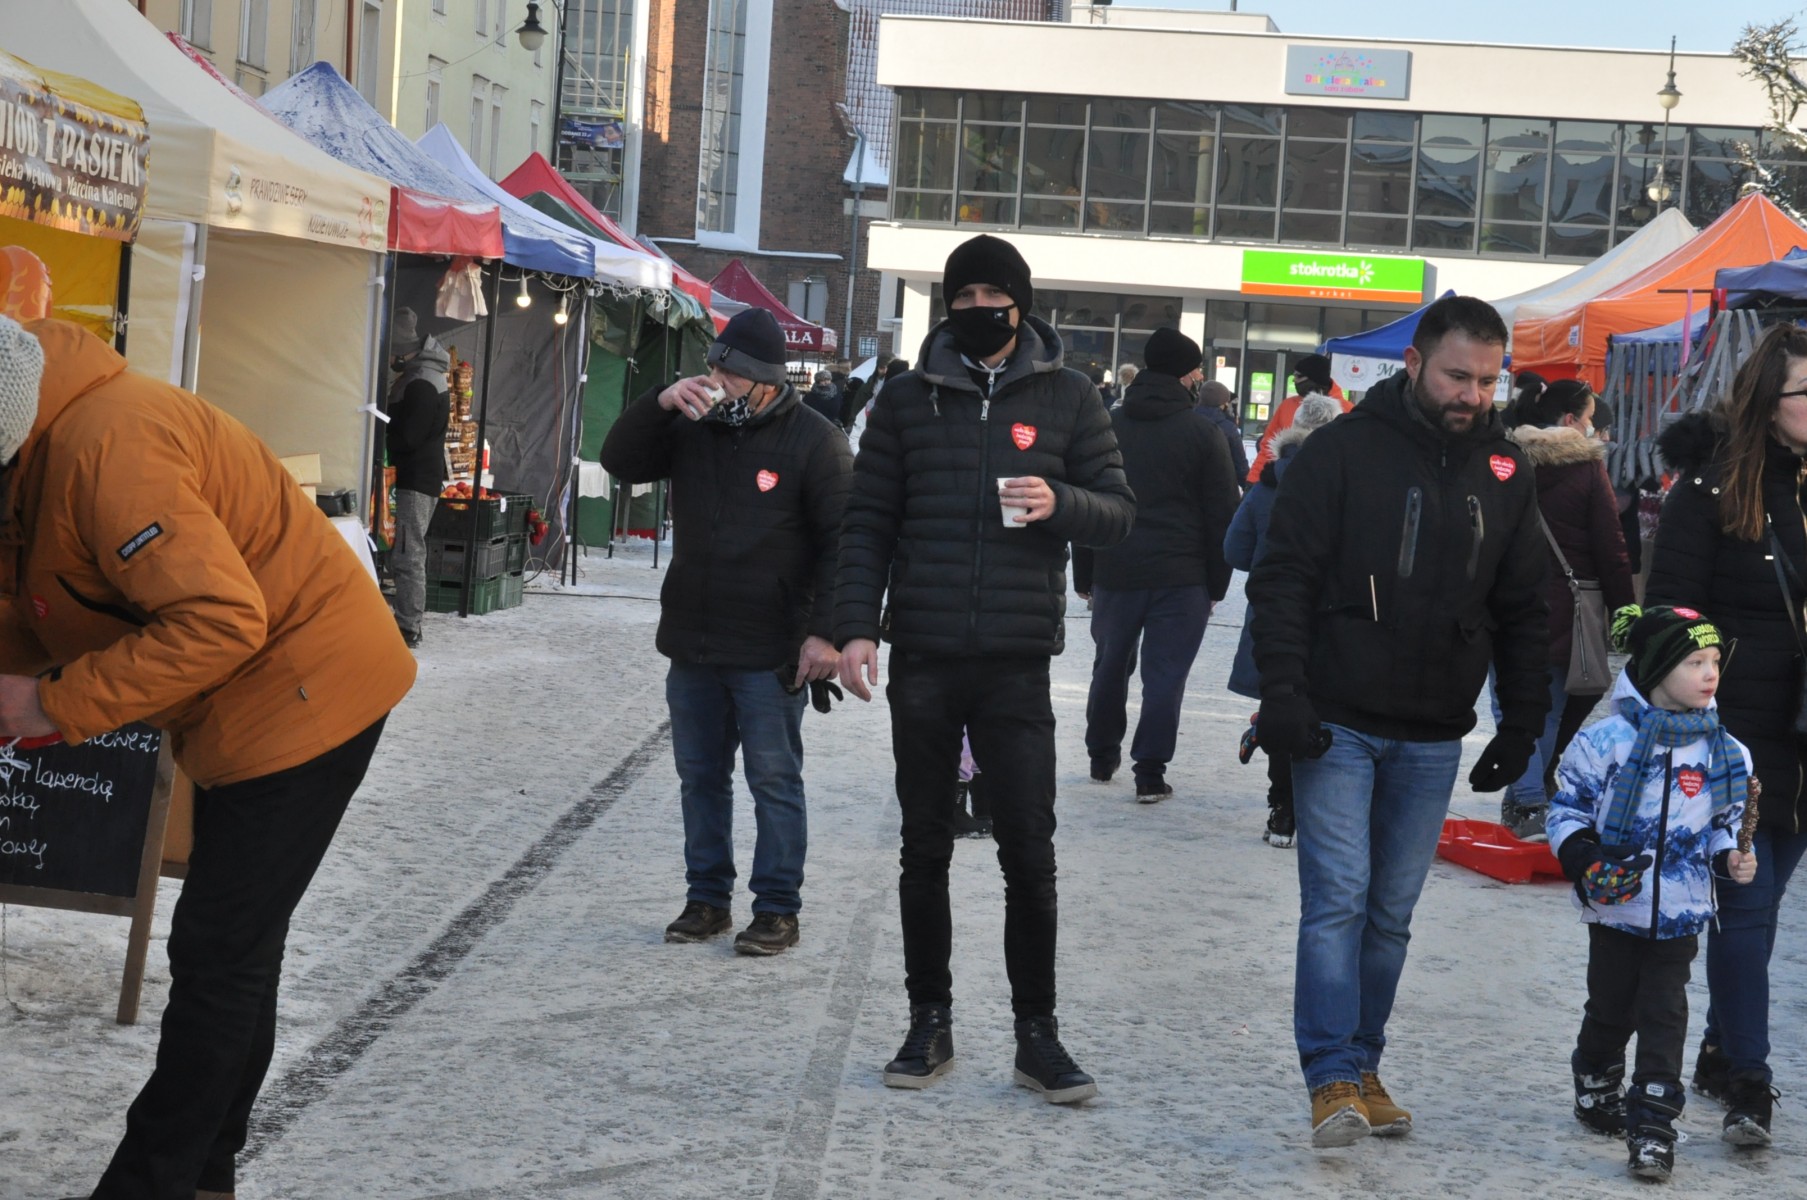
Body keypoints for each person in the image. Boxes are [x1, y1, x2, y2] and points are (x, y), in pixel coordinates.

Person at [0, 315, 416, 1199]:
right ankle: (205, 1174)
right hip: (251, 701)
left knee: (221, 952)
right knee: (236, 949)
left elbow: (221, 620)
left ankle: (153, 1181)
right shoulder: (40, 443)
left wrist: (51, 703)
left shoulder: (108, 450)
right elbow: (42, 595)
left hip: (310, 691)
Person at [833, 233, 1134, 1104]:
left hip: (1015, 659)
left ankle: (1036, 1035)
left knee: (1028, 850)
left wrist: (1058, 501)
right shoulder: (905, 398)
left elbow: (1118, 512)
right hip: (925, 652)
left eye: (991, 298)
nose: (976, 311)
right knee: (922, 846)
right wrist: (854, 627)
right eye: (961, 298)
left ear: (1019, 305)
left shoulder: (1070, 396)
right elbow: (867, 521)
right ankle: (928, 1021)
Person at [1246, 295, 1550, 1147]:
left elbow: (1523, 606)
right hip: (1335, 719)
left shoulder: (1506, 469)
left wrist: (1522, 723)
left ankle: (1363, 1062)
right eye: (1456, 376)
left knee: (1389, 913)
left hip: (1431, 727)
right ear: (1413, 364)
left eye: (1486, 381)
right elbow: (1282, 577)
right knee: (1337, 900)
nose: (1471, 395)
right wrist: (1283, 691)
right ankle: (1330, 1075)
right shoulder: (1340, 451)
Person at [599, 308, 852, 956]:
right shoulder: (692, 425)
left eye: (730, 372)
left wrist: (824, 635)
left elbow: (842, 545)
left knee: (774, 781)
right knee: (700, 778)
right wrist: (659, 402)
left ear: (767, 382)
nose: (715, 380)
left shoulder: (816, 441)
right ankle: (707, 899)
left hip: (770, 647)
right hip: (694, 639)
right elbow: (619, 460)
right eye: (712, 365)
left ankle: (777, 908)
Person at [1645, 322, 1807, 1146]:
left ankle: (1716, 1051)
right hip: (1737, 735)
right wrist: (1699, 704)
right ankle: (1749, 1080)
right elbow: (1666, 615)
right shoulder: (1709, 491)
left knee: (1762, 907)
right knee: (1744, 914)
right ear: (1769, 401)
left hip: (1803, 735)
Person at [1547, 605, 1757, 1181]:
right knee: (1610, 1009)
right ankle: (1595, 1078)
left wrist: (1731, 855)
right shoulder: (1605, 741)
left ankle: (1654, 1129)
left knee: (1664, 1015)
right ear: (1658, 668)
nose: (1710, 673)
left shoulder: (1726, 751)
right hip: (1615, 908)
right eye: (1694, 662)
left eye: (1715, 661)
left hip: (1682, 912)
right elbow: (1567, 811)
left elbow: (1724, 824)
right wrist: (1586, 859)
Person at [1075, 327, 1239, 802]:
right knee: (1166, 676)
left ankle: (1101, 756)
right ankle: (1149, 771)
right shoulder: (1204, 432)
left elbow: (1087, 500)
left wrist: (1085, 574)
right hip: (1182, 575)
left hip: (1115, 566)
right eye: (1197, 369)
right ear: (1186, 375)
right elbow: (1222, 513)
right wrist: (1216, 583)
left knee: (1109, 667)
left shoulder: (1108, 425)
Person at [1487, 379, 1635, 840]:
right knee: (1546, 707)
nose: (1594, 428)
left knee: (1511, 701)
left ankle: (1526, 798)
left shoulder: (1503, 460)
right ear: (1571, 420)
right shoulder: (1586, 469)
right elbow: (1611, 545)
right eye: (1590, 417)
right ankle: (1530, 800)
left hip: (1502, 602)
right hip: (1564, 610)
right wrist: (1624, 609)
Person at [1225, 393, 1342, 848]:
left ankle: (1283, 810)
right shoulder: (1349, 483)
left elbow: (1234, 550)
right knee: (1331, 710)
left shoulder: (1266, 485)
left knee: (1281, 703)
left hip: (1272, 614)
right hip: (1332, 617)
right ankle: (1322, 813)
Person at [385, 307, 452, 649]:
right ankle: (406, 621)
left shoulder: (422, 382)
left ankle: (408, 626)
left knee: (409, 553)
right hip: (418, 477)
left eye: (392, 353)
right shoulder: (422, 375)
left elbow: (409, 437)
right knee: (406, 551)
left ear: (402, 351)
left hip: (416, 479)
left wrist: (382, 433)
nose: (390, 360)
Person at [1245, 353, 1350, 484]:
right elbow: (1268, 446)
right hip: (1282, 480)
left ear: (1314, 378)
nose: (1293, 380)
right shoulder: (1287, 405)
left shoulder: (1347, 410)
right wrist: (1254, 480)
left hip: (1326, 484)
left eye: (1298, 376)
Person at [1196, 379, 1251, 487]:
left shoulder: (1187, 421)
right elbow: (1240, 465)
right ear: (1223, 404)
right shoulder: (1228, 429)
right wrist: (1247, 488)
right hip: (1219, 486)